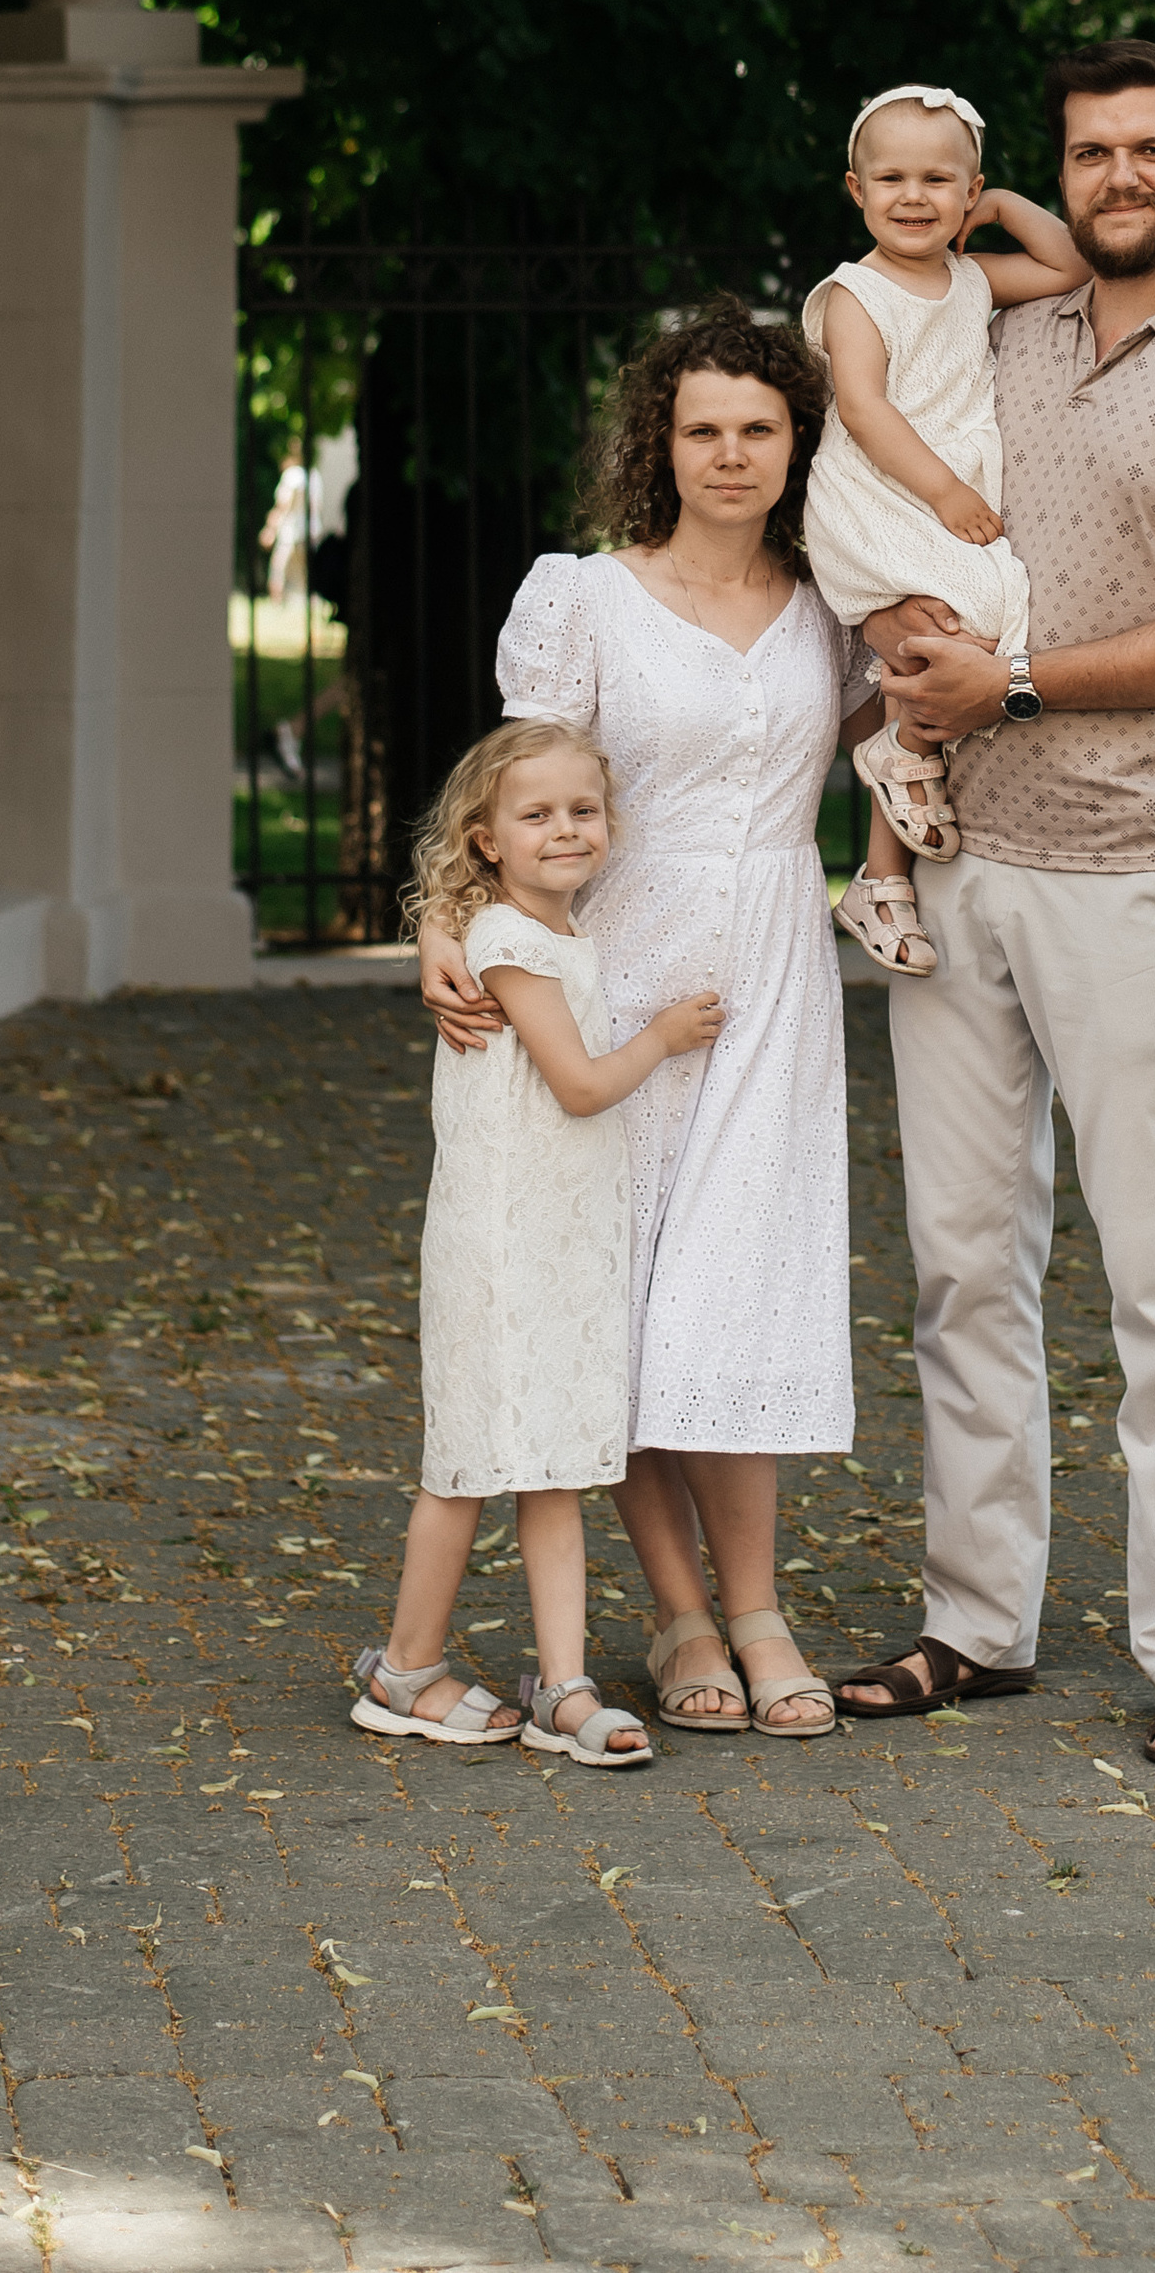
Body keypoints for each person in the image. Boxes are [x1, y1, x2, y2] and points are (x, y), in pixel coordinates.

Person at [831, 39, 1155, 1771]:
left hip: (1131, 867)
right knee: (963, 1266)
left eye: (1147, 151)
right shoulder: (1001, 325)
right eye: (1090, 153)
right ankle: (978, 1620)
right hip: (956, 858)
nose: (1119, 178)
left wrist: (1017, 685)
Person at [417, 300, 864, 1740]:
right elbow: (509, 783)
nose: (730, 454)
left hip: (775, 976)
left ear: (798, 442)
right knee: (619, 1300)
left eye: (758, 427)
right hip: (614, 977)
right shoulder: (584, 596)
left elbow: (915, 738)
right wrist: (442, 925)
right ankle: (681, 1617)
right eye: (702, 428)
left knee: (734, 1294)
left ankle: (761, 1610)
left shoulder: (838, 598)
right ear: (657, 445)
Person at [352, 720, 721, 1766]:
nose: (566, 829)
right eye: (537, 814)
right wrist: (662, 1035)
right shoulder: (510, 945)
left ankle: (564, 1685)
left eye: (582, 810)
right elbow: (579, 1083)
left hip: (555, 1248)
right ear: (485, 840)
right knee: (466, 1465)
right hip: (501, 1254)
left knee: (553, 1465)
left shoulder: (551, 932)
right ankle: (404, 1667)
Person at [801, 83, 1088, 978]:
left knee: (982, 630)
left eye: (941, 180)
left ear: (969, 193)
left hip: (932, 493)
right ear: (856, 189)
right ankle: (896, 768)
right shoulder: (857, 293)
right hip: (879, 489)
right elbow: (863, 406)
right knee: (960, 632)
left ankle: (882, 869)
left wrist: (1002, 210)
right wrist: (944, 491)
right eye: (892, 178)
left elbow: (1073, 265)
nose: (915, 196)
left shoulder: (971, 277)